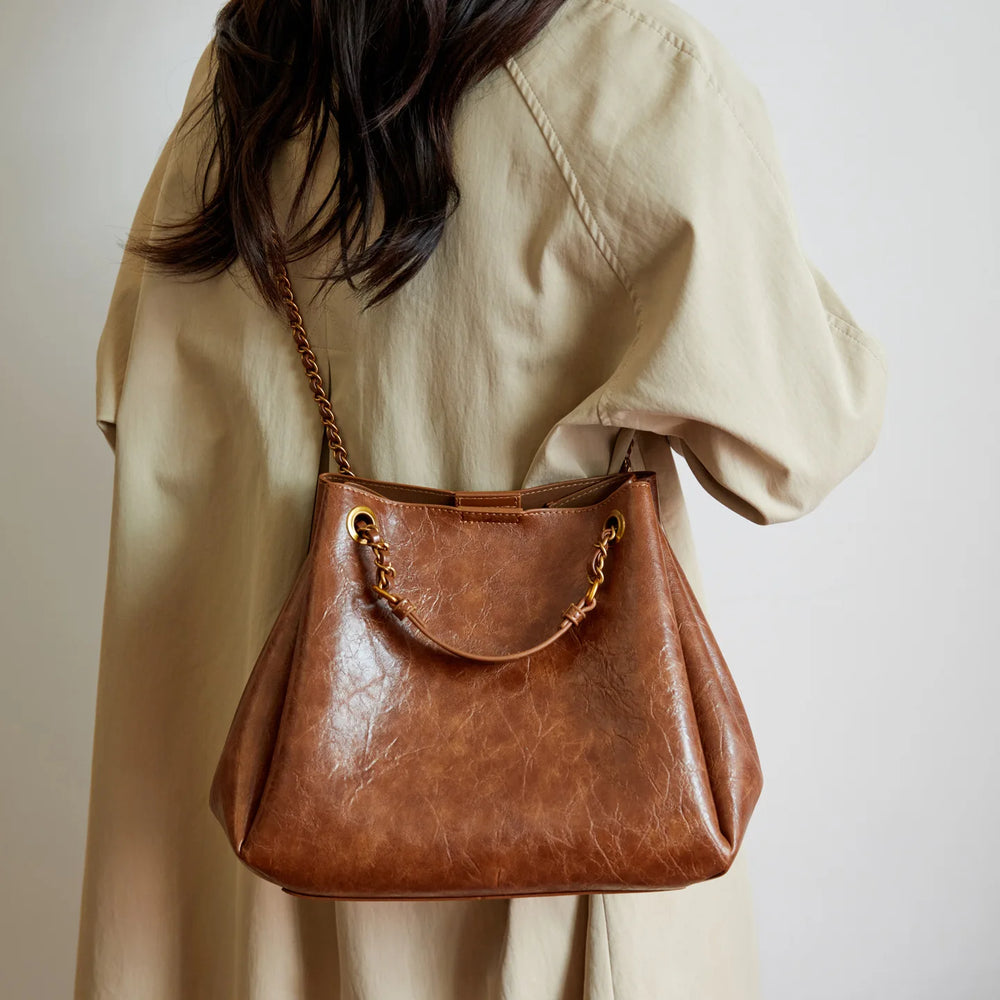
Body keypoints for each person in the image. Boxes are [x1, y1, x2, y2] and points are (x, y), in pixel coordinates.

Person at [76, 0, 889, 997]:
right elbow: (804, 439)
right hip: (540, 882)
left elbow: (135, 404)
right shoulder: (624, 73)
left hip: (225, 882)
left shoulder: (243, 74)